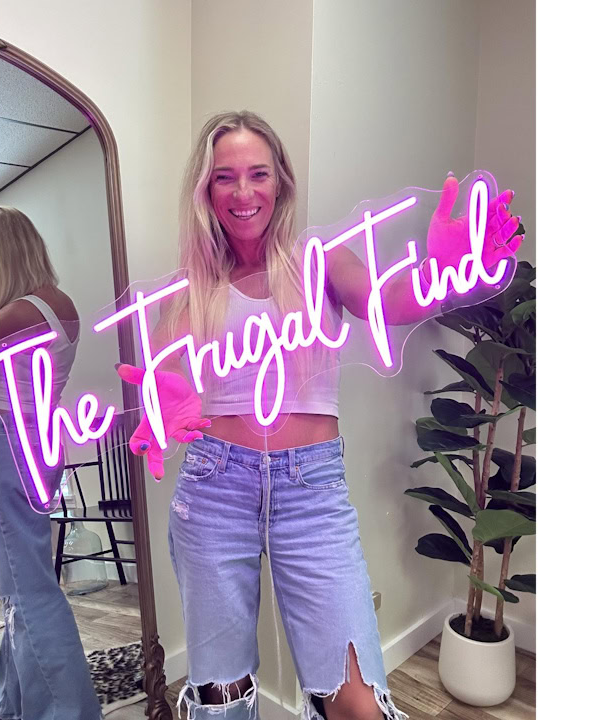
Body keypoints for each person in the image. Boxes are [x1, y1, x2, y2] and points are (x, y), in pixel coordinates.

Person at [136, 111, 522, 720]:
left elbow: (387, 302)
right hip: (214, 490)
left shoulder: (318, 261)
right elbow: (163, 376)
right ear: (205, 191)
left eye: (258, 174)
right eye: (224, 177)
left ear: (282, 182)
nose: (242, 191)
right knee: (219, 697)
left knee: (356, 703)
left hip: (310, 493)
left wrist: (443, 275)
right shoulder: (190, 290)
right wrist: (161, 406)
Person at [0, 206, 103, 720]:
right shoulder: (58, 305)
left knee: (27, 589)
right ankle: (12, 704)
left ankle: (66, 711)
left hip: (5, 446)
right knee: (23, 585)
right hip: (35, 446)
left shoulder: (17, 313)